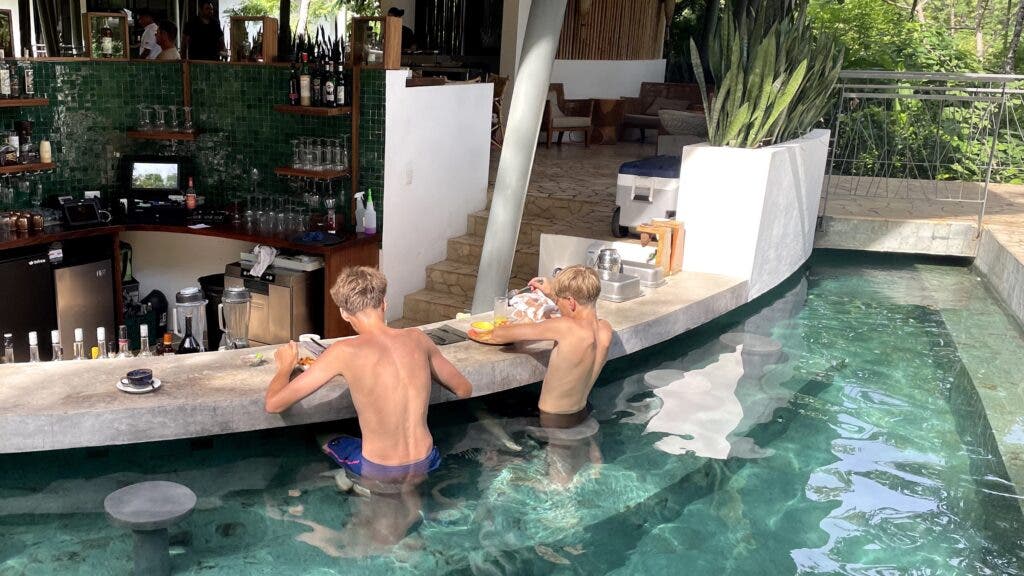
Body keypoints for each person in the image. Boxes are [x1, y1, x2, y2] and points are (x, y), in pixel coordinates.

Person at [264, 266, 473, 485]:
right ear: (384, 303)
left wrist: (285, 367)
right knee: (409, 505)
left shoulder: (343, 352)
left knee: (323, 435)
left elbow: (274, 405)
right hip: (427, 460)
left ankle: (347, 479)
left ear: (344, 313)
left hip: (381, 471)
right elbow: (464, 389)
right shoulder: (417, 338)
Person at [471, 265, 613, 422]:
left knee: (478, 408)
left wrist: (522, 321)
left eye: (558, 301)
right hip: (581, 413)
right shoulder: (605, 329)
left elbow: (500, 335)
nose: (556, 304)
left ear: (571, 302)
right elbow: (576, 317)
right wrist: (553, 293)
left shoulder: (564, 327)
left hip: (553, 420)